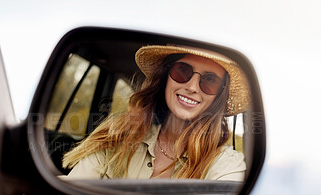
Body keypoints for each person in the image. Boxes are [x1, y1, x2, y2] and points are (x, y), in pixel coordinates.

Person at [62, 44, 250, 181]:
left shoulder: (226, 165)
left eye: (210, 80)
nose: (192, 87)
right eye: (183, 71)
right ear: (165, 77)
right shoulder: (118, 137)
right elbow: (72, 192)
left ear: (219, 95)